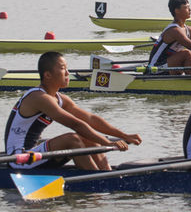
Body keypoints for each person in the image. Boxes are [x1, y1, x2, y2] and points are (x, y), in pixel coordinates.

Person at [4, 51, 142, 170]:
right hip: (18, 159)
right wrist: (108, 143)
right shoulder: (39, 97)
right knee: (73, 138)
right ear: (48, 75)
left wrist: (123, 135)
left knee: (88, 136)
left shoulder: (60, 98)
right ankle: (97, 182)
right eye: (63, 68)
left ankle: (107, 174)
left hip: (36, 153)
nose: (68, 73)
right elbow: (76, 124)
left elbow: (90, 119)